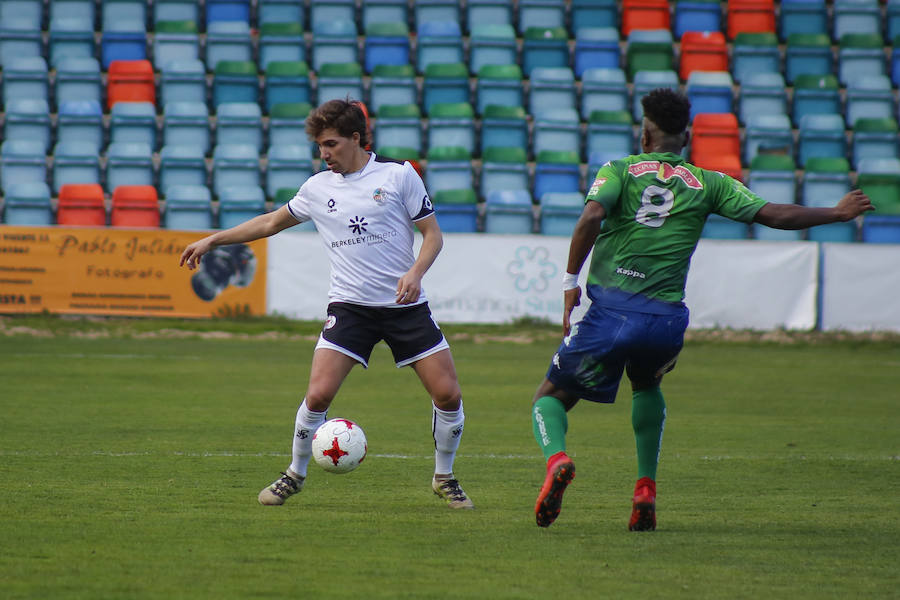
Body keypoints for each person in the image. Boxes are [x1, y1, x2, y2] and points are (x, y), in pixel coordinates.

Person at [530, 88, 874, 531]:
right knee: (647, 384)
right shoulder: (711, 183)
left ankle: (558, 461)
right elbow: (773, 214)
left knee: (548, 399)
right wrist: (836, 212)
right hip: (666, 320)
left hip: (611, 313)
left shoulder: (619, 170)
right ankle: (645, 490)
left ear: (645, 134)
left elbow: (591, 216)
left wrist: (570, 281)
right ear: (686, 136)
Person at [180, 99, 474, 509]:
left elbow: (433, 235)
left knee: (448, 396)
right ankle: (294, 475)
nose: (325, 153)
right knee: (317, 396)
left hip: (404, 306)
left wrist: (415, 273)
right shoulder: (317, 188)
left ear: (356, 138)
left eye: (331, 144)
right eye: (320, 146)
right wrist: (213, 239)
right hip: (351, 308)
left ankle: (445, 477)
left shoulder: (398, 175)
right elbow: (269, 222)